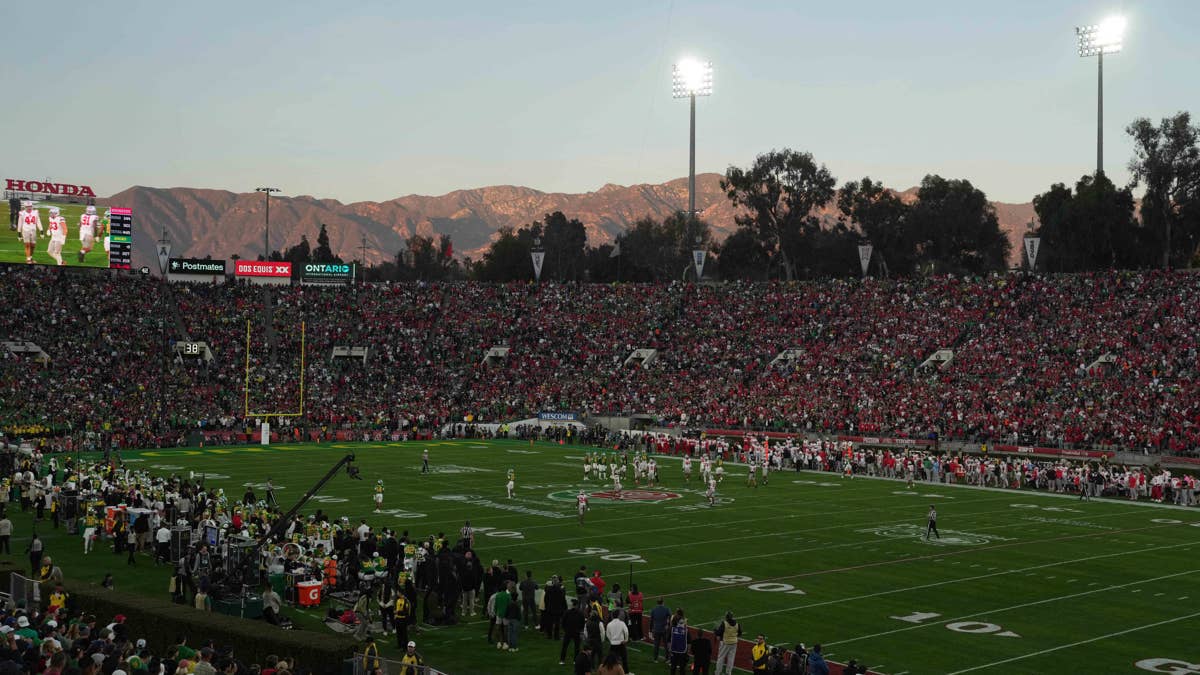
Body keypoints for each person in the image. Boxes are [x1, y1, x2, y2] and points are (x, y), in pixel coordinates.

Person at [560, 597, 586, 664]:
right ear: (577, 605)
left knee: (565, 646)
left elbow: (563, 622)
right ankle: (575, 660)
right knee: (577, 647)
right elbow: (583, 623)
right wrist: (580, 629)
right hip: (576, 632)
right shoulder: (580, 613)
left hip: (568, 631)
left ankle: (562, 660)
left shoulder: (567, 612)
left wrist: (565, 629)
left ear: (572, 605)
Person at [605, 609, 629, 673]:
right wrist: (626, 640)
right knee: (624, 658)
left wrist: (611, 640)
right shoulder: (622, 623)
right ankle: (626, 672)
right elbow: (626, 631)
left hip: (613, 644)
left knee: (611, 658)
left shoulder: (609, 624)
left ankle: (611, 671)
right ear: (618, 616)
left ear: (612, 616)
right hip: (621, 643)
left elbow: (607, 634)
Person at [649, 597, 671, 662]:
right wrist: (668, 624)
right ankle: (667, 658)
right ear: (663, 602)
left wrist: (650, 630)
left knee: (656, 645)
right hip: (664, 629)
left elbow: (651, 621)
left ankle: (655, 658)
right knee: (666, 644)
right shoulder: (666, 609)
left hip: (656, 629)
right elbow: (670, 617)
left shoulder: (653, 609)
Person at [668, 609, 689, 675]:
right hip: (682, 651)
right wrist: (687, 652)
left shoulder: (672, 629)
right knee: (682, 668)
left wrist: (669, 649)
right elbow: (689, 642)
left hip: (674, 650)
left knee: (673, 667)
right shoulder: (686, 631)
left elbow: (668, 640)